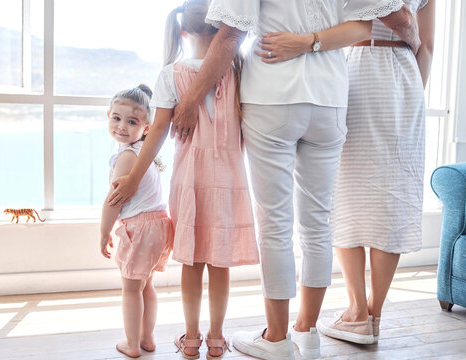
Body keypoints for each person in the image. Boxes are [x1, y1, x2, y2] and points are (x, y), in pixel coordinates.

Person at [154, 0, 417, 359]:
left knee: (275, 223)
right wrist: (312, 42)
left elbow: (231, 34)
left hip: (272, 97)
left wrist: (188, 102)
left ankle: (276, 337)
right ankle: (307, 334)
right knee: (318, 224)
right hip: (330, 99)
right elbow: (367, 26)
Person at [108, 1, 259, 359]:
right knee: (219, 263)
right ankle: (218, 340)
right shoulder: (236, 68)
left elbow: (158, 131)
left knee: (191, 263)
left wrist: (131, 179)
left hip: (189, 179)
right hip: (230, 177)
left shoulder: (171, 74)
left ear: (183, 32)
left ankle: (191, 339)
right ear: (223, 29)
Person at [317, 0, 435, 345]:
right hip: (404, 73)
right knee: (390, 197)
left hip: (356, 67)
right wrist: (412, 93)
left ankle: (357, 313)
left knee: (346, 191)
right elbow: (424, 46)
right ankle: (373, 314)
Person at [99, 85, 174, 358]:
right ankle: (147, 338)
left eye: (132, 121)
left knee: (131, 289)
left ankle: (132, 343)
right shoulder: (146, 153)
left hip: (140, 229)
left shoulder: (127, 157)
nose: (121, 126)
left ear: (146, 127)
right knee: (146, 285)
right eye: (116, 118)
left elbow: (113, 201)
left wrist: (104, 232)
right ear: (108, 115)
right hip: (160, 226)